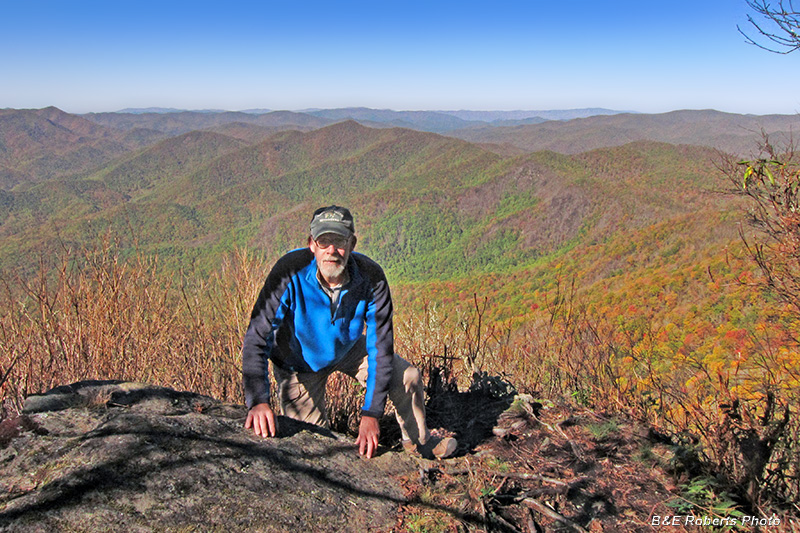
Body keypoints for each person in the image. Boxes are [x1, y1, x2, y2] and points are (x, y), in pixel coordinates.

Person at [242, 205, 457, 459]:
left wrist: (371, 413)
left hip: (348, 346)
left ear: (352, 243)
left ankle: (420, 444)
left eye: (340, 241)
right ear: (312, 244)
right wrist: (257, 399)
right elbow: (257, 337)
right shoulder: (289, 271)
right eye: (324, 241)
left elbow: (381, 347)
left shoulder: (370, 277)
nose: (332, 250)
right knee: (314, 449)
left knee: (407, 376)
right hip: (297, 363)